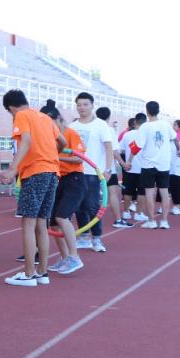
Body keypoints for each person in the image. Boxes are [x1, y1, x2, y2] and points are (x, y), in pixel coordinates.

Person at [0, 89, 65, 287]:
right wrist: (51, 154)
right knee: (41, 224)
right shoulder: (45, 118)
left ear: (11, 108)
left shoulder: (21, 116)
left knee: (28, 223)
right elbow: (62, 141)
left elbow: (26, 140)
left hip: (35, 172)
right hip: (53, 172)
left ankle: (28, 273)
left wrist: (12, 169)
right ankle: (42, 272)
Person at [42, 101, 85, 275]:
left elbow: (79, 158)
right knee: (53, 223)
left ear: (58, 119)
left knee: (62, 217)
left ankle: (75, 257)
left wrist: (58, 158)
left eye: (50, 121)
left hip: (74, 179)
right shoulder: (48, 136)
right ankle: (65, 257)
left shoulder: (70, 133)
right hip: (58, 180)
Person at [69, 93, 114, 252]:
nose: (81, 107)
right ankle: (83, 237)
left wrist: (108, 169)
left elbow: (108, 147)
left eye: (85, 104)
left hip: (93, 173)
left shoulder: (101, 125)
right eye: (79, 105)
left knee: (92, 206)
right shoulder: (72, 126)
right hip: (75, 171)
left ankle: (96, 238)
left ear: (92, 105)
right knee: (79, 206)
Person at [132, 101, 174, 229]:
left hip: (148, 164)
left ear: (147, 111)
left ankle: (151, 221)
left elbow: (137, 146)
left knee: (149, 193)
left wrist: (129, 160)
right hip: (164, 164)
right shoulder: (166, 124)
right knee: (164, 192)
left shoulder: (145, 127)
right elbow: (174, 138)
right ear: (158, 110)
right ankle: (164, 221)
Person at [98, 107, 131, 228]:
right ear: (108, 117)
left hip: (92, 167)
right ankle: (118, 219)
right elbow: (114, 151)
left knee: (89, 194)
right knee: (113, 192)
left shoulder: (94, 128)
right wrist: (123, 164)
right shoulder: (109, 130)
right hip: (107, 168)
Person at [120, 114, 147, 221]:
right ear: (145, 123)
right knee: (142, 192)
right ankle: (138, 213)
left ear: (135, 122)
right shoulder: (146, 134)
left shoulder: (127, 135)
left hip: (129, 167)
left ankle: (126, 212)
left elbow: (121, 150)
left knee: (128, 192)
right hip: (143, 168)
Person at [170, 120, 180, 215]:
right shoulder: (172, 137)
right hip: (172, 167)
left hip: (177, 168)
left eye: (175, 125)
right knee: (173, 187)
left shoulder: (176, 137)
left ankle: (177, 207)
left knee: (176, 187)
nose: (173, 126)